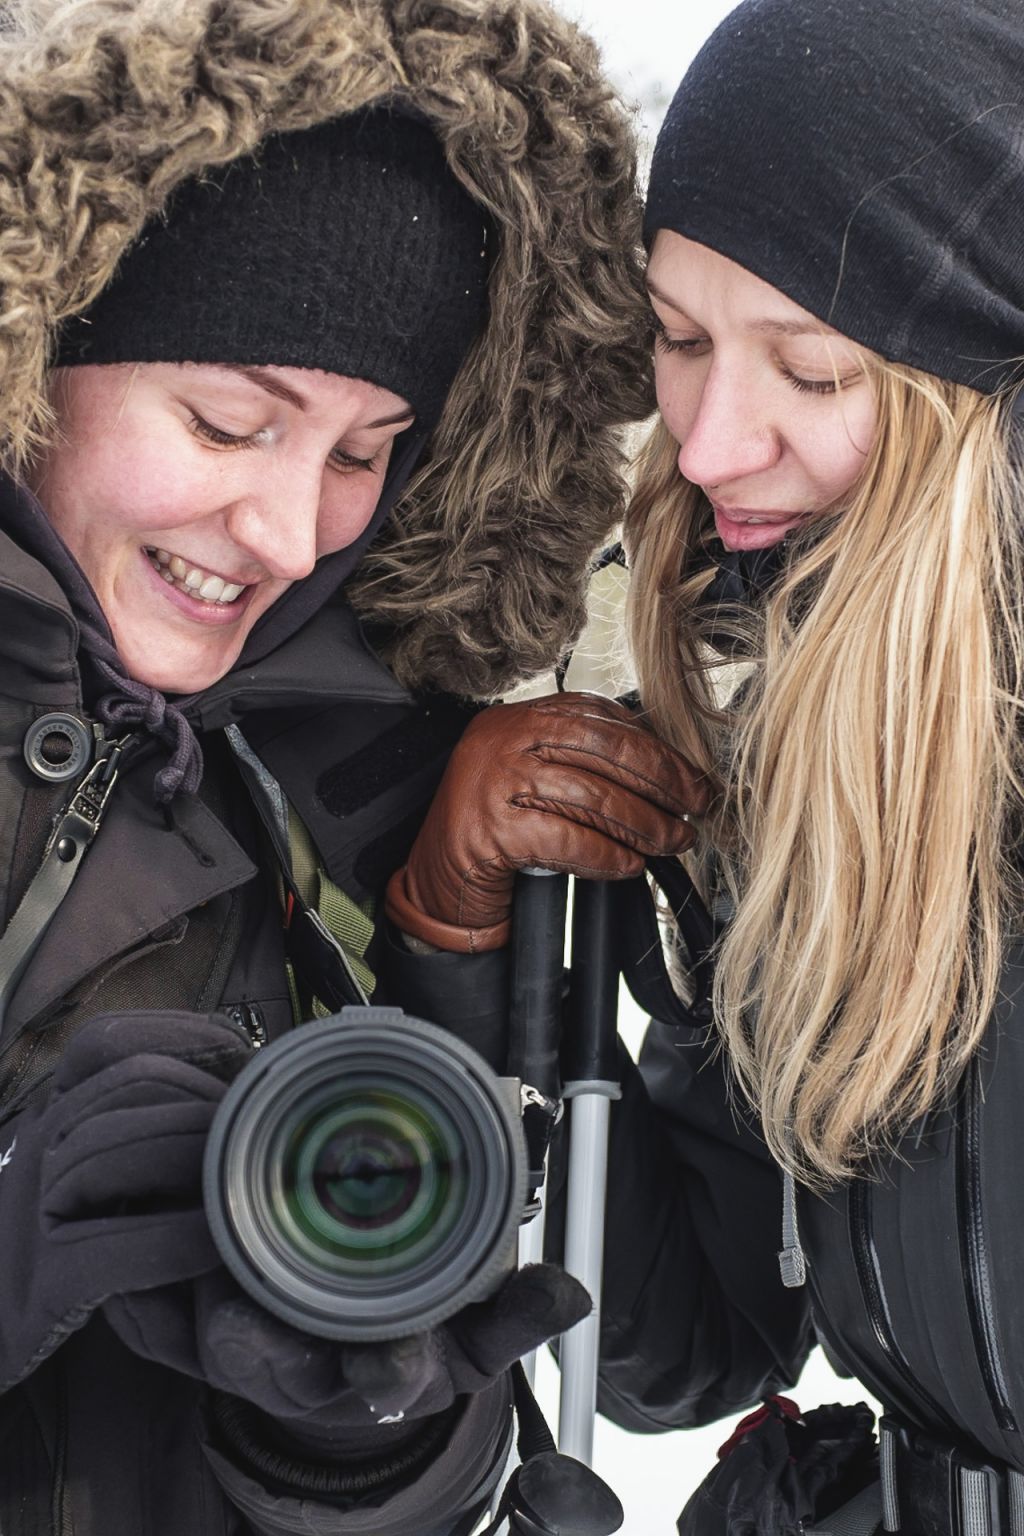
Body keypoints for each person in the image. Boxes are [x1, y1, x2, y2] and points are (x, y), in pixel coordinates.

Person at [0, 1, 679, 1531]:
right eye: (230, 422)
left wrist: (355, 1442)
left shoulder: (331, 775)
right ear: (34, 345)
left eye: (364, 453)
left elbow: (617, 1351)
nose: (291, 531)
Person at [387, 1, 1024, 1530]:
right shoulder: (808, 761)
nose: (712, 440)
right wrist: (468, 953)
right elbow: (685, 1346)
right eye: (678, 340)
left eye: (809, 369)